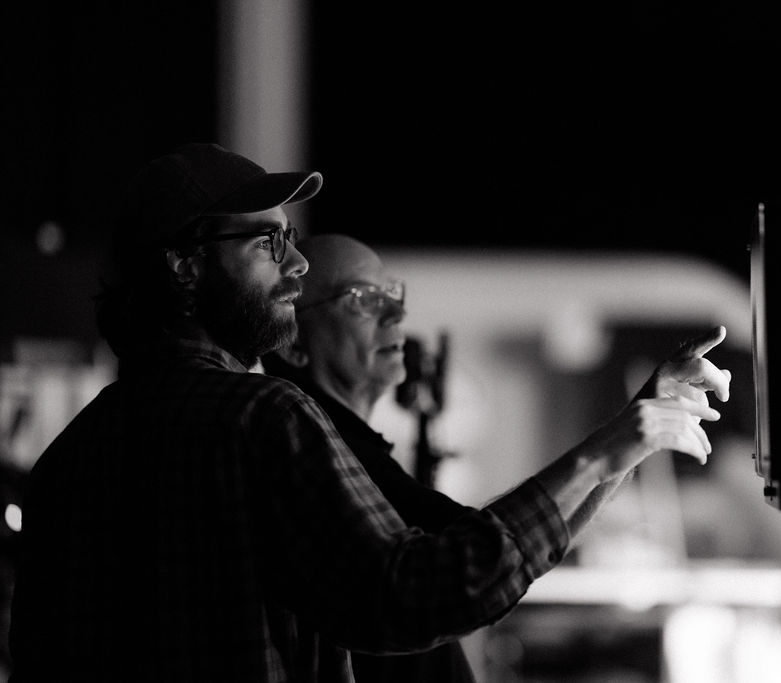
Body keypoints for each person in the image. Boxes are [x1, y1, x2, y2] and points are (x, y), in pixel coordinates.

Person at [8, 142, 732, 683]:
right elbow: (415, 592)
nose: (295, 265)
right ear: (184, 265)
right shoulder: (260, 418)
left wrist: (618, 447)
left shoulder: (66, 461)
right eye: (268, 242)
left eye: (292, 240)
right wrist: (610, 448)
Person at [260, 233, 477, 681]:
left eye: (391, 293)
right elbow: (487, 554)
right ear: (292, 344)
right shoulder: (328, 453)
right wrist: (606, 453)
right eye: (362, 297)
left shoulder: (351, 445)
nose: (397, 313)